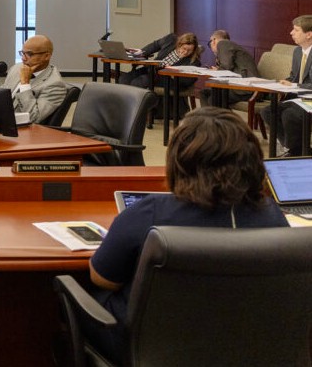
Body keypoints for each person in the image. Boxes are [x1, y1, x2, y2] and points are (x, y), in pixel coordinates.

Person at [84, 108, 287, 362]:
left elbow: (102, 278)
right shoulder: (271, 215)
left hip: (151, 350)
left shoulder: (149, 212)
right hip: (247, 347)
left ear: (178, 162)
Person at [263, 15, 312, 157]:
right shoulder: (297, 52)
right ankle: (296, 149)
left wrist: (294, 85)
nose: (291, 33)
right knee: (268, 111)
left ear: (309, 34)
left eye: (296, 30)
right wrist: (282, 84)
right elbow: (293, 77)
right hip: (298, 98)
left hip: (309, 98)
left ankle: (295, 151)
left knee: (289, 115)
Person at [3, 35, 67, 123]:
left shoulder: (55, 85)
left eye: (29, 54)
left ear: (46, 56)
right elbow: (2, 93)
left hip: (18, 127)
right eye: (22, 53)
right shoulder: (17, 68)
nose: (23, 58)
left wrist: (25, 84)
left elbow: (33, 117)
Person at [119, 32, 202, 89]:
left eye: (189, 50)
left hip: (167, 79)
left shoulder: (194, 62)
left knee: (139, 81)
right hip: (152, 69)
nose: (186, 52)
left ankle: (135, 105)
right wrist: (141, 52)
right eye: (184, 48)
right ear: (179, 44)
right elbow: (155, 45)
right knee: (124, 78)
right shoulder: (171, 40)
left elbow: (188, 82)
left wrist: (173, 71)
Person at [199, 30, 259, 108]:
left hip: (247, 89)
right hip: (239, 86)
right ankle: (207, 116)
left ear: (213, 40)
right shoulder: (230, 46)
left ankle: (220, 116)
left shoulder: (222, 43)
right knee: (204, 93)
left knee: (213, 99)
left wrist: (217, 71)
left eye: (209, 44)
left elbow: (226, 67)